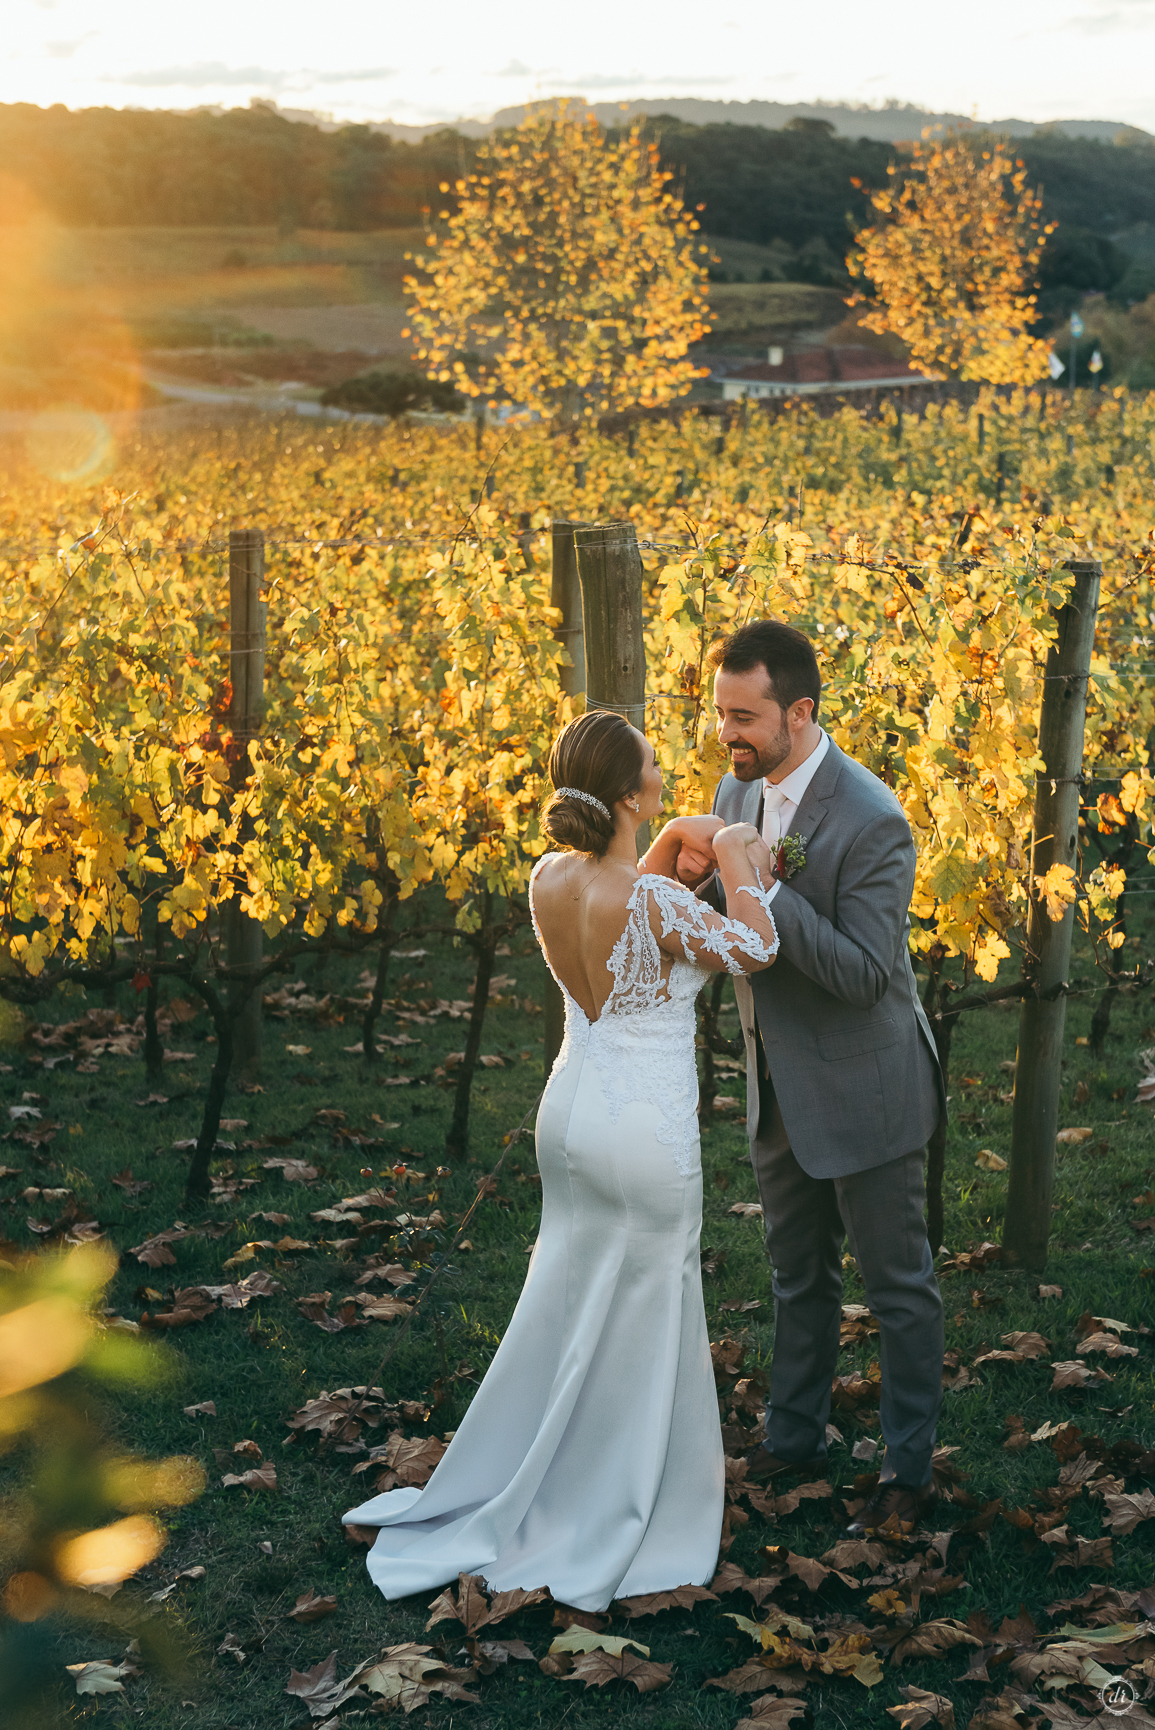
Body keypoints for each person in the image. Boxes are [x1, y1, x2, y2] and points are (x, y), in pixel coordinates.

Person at [343, 709, 780, 1612]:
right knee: (650, 1302)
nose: (665, 777)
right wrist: (735, 855)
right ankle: (620, 1500)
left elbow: (626, 922)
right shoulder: (653, 902)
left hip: (572, 1110)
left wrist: (662, 843)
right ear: (628, 791)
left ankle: (542, 1469)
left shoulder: (552, 877)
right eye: (655, 771)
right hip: (644, 1126)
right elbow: (755, 948)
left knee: (570, 1295)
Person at [666, 619, 946, 1537]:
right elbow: (723, 916)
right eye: (719, 715)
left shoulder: (872, 818)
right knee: (796, 1277)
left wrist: (768, 891)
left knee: (897, 1286)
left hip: (866, 1085)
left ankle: (906, 1469)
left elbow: (867, 974)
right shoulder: (730, 789)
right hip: (775, 1078)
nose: (726, 734)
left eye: (743, 717)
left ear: (799, 712)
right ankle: (793, 1438)